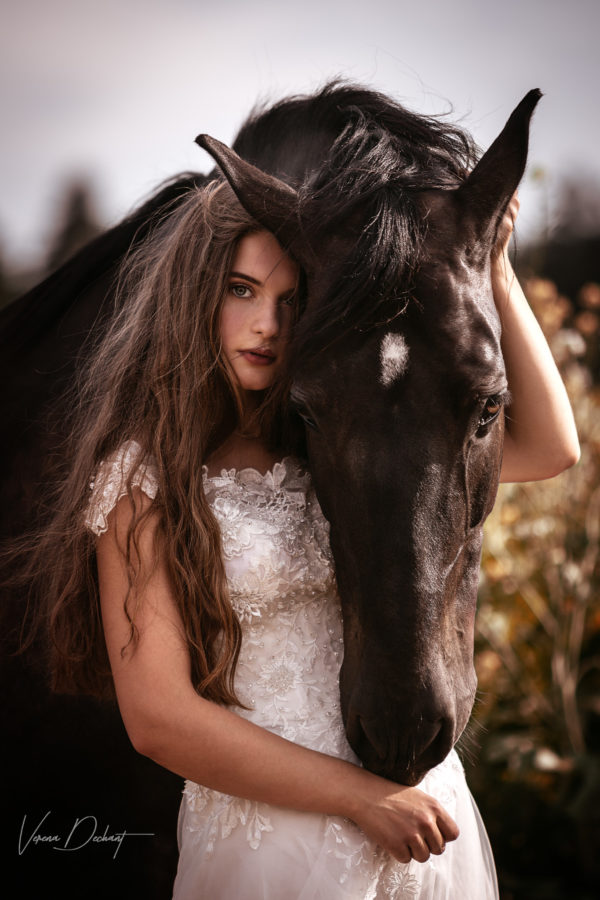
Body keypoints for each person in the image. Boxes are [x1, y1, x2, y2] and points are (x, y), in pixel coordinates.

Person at [23, 158, 578, 897]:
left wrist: (494, 268)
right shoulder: (144, 477)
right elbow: (157, 718)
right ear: (196, 296)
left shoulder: (322, 445)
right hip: (276, 832)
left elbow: (550, 449)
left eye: (292, 299)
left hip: (418, 815)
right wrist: (360, 799)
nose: (269, 324)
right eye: (243, 291)